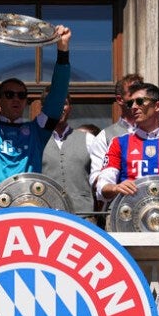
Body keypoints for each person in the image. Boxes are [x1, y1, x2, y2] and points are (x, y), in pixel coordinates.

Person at [0, 17, 71, 212]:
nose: (16, 99)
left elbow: (56, 98)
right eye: (9, 94)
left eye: (21, 95)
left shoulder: (37, 131)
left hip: (27, 213)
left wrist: (63, 51)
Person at [42, 91, 96, 221]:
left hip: (84, 216)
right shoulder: (37, 140)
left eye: (64, 103)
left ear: (69, 107)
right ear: (44, 108)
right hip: (47, 215)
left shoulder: (89, 139)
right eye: (53, 103)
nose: (59, 107)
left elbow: (99, 178)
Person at [89, 73, 143, 188]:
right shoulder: (105, 136)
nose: (137, 99)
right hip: (117, 203)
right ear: (120, 99)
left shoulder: (155, 134)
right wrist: (117, 180)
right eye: (132, 94)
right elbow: (95, 179)